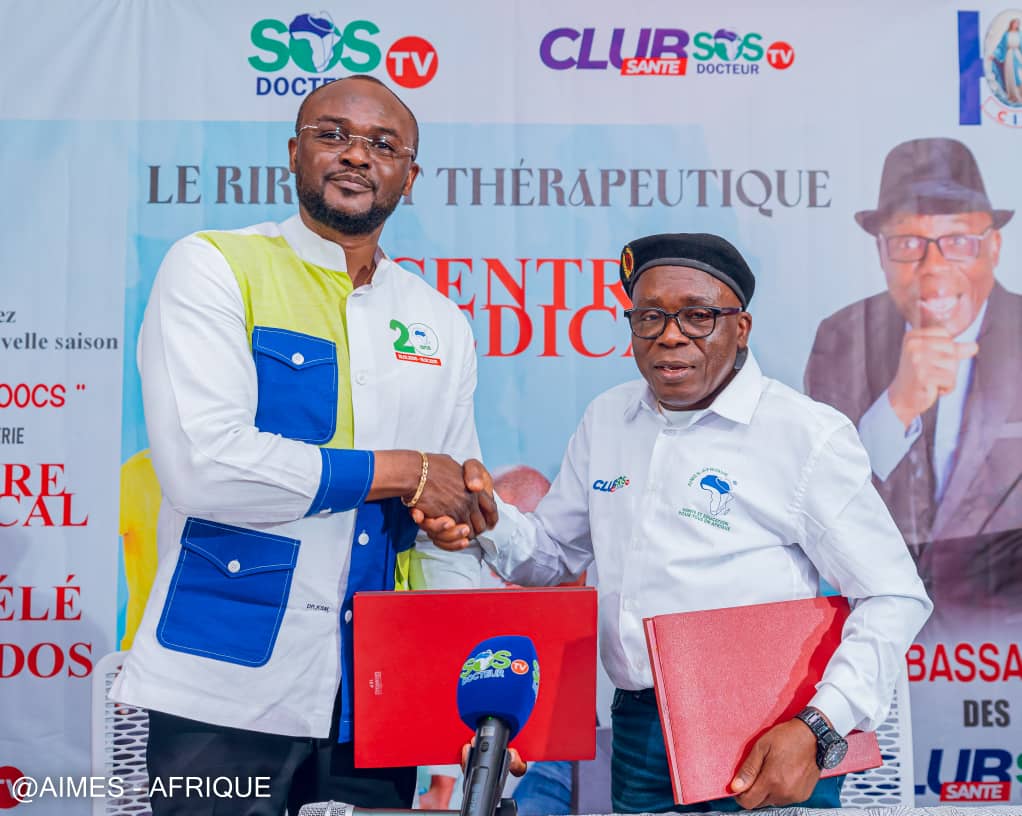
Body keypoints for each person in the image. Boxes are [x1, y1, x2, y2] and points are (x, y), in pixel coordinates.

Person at [417, 233, 932, 812]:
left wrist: (820, 725)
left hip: (766, 733)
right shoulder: (608, 419)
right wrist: (486, 519)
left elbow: (894, 594)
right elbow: (553, 554)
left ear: (741, 328)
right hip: (639, 729)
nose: (670, 335)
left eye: (697, 316)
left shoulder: (804, 435)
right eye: (650, 317)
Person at [111, 75, 493, 816]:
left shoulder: (439, 320)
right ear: (294, 153)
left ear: (410, 175)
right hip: (221, 689)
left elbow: (447, 517)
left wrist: (460, 685)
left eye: (382, 144)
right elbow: (205, 467)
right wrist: (402, 471)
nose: (356, 155)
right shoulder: (214, 265)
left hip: (375, 697)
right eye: (332, 134)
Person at [804, 137, 1022, 619]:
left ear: (994, 247)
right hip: (875, 631)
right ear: (881, 253)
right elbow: (816, 500)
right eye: (908, 244)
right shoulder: (840, 339)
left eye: (959, 241)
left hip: (1004, 637)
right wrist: (896, 408)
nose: (934, 267)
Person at [993, 18, 1022, 105]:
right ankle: (1013, 96)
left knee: (1019, 75)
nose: (1016, 25)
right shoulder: (1006, 34)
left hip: (1018, 55)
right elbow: (1001, 46)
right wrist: (995, 54)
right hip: (1009, 56)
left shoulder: (1020, 34)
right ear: (1011, 24)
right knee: (1011, 75)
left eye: (1018, 23)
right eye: (1015, 23)